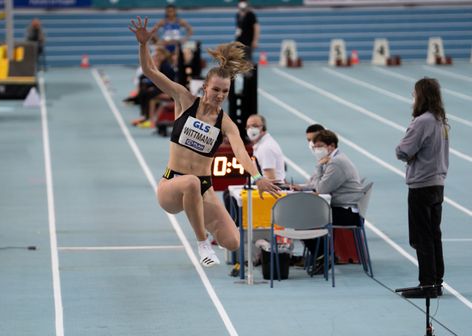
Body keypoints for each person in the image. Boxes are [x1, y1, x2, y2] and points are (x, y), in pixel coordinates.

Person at [129, 16, 279, 267]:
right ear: (205, 88)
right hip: (172, 184)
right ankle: (202, 244)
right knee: (189, 182)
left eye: (225, 91)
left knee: (232, 241)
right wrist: (144, 45)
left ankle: (205, 226)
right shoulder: (184, 100)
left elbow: (242, 154)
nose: (220, 95)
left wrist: (257, 177)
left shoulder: (226, 123)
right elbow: (149, 71)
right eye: (216, 90)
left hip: (203, 188)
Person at [396, 77, 449, 298]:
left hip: (422, 184)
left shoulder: (422, 122)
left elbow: (403, 151)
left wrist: (408, 151)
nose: (412, 98)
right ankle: (436, 281)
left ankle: (427, 284)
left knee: (421, 237)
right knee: (434, 234)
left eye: (414, 94)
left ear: (421, 96)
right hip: (437, 183)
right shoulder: (441, 120)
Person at [295, 129, 364, 274]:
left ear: (331, 146)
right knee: (305, 216)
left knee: (301, 219)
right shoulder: (334, 159)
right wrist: (301, 188)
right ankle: (321, 256)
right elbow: (317, 185)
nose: (316, 150)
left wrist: (319, 166)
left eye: (319, 146)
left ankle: (324, 256)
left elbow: (321, 189)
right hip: (342, 208)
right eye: (315, 147)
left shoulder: (336, 163)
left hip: (346, 213)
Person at [246, 114, 286, 183]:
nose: (251, 129)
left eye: (255, 126)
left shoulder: (266, 148)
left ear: (263, 128)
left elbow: (271, 180)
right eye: (248, 127)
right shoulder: (261, 145)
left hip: (269, 191)